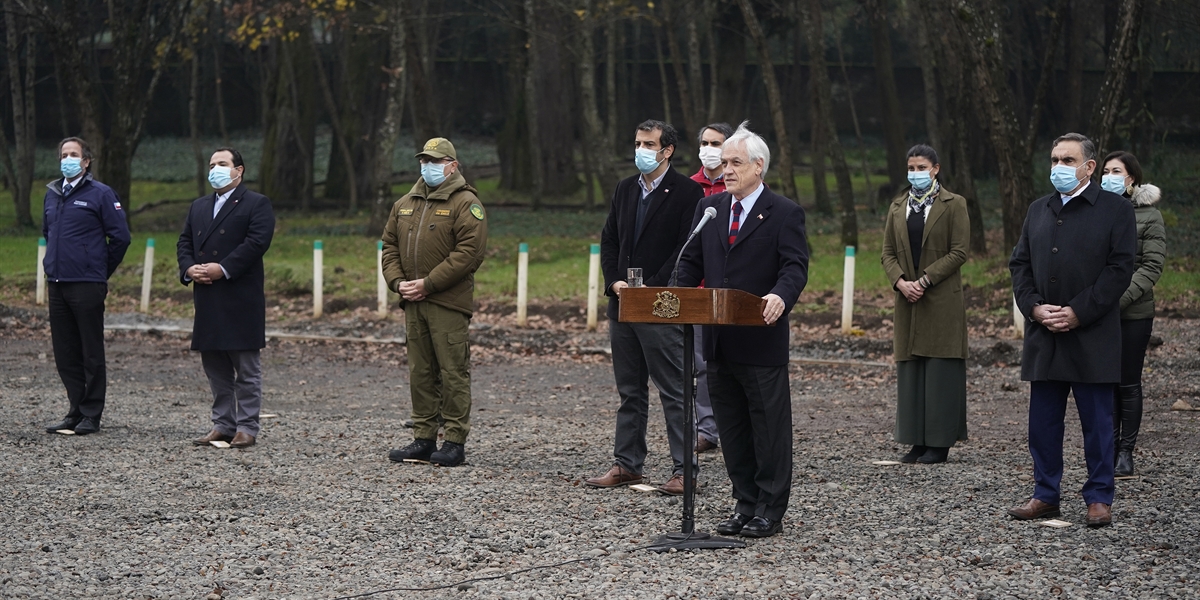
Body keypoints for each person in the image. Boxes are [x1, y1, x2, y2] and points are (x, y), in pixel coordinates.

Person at [677, 122, 810, 537]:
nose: (725, 168)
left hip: (760, 337)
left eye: (735, 162)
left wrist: (780, 296)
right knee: (732, 428)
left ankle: (770, 509)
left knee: (767, 428)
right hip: (718, 339)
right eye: (724, 161)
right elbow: (691, 262)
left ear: (758, 167)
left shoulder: (785, 212)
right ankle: (744, 502)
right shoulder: (709, 210)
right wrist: (673, 295)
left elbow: (795, 266)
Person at [1008, 133, 1137, 528]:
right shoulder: (1038, 209)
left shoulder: (1115, 210)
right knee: (1042, 423)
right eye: (1054, 159)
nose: (1058, 167)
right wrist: (1032, 306)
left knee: (1097, 422)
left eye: (1067, 160)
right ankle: (1045, 494)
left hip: (1091, 333)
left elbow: (1119, 270)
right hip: (1044, 332)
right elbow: (1020, 264)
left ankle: (1099, 497)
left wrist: (1078, 312)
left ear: (1089, 167)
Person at [586, 119, 704, 496]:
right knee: (630, 390)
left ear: (667, 150)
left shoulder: (688, 192)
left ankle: (685, 470)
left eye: (648, 144)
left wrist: (653, 287)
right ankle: (627, 464)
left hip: (660, 305)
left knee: (673, 389)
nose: (641, 149)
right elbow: (609, 240)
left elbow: (685, 248)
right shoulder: (624, 189)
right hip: (622, 302)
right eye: (638, 142)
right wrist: (614, 281)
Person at [382, 137, 488, 468]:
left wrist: (428, 284)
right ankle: (424, 437)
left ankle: (455, 440)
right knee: (421, 371)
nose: (428, 166)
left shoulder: (466, 203)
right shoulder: (404, 203)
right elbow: (389, 246)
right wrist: (399, 283)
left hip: (447, 302)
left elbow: (469, 253)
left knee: (452, 371)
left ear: (452, 166)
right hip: (412, 300)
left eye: (436, 161)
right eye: (424, 161)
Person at [178, 148, 276, 449]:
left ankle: (247, 427)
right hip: (207, 296)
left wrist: (223, 268)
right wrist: (188, 268)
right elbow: (184, 241)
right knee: (216, 368)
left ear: (239, 170)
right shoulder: (198, 206)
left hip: (240, 296)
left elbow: (257, 242)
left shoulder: (256, 203)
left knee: (246, 368)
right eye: (212, 164)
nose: (215, 169)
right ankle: (223, 424)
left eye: (222, 164)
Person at [880, 144, 970, 464]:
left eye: (921, 167)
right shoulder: (897, 206)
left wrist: (925, 280)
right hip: (907, 299)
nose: (915, 172)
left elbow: (959, 251)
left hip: (941, 298)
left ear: (935, 169)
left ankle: (939, 442)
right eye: (911, 167)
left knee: (940, 370)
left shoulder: (954, 204)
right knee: (912, 370)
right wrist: (901, 282)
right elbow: (887, 252)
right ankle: (915, 440)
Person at [41, 137, 131, 436]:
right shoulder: (52, 194)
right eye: (64, 154)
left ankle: (92, 413)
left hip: (87, 283)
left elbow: (120, 237)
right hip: (57, 282)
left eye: (74, 154)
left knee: (90, 350)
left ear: (86, 161)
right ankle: (75, 409)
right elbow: (48, 232)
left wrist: (99, 270)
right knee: (65, 351)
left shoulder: (100, 194)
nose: (68, 159)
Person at [1101, 151, 1165, 477]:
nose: (1109, 176)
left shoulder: (1149, 217)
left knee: (1127, 382)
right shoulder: (1096, 212)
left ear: (1132, 179)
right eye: (1105, 170)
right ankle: (1107, 450)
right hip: (1098, 313)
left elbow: (1151, 266)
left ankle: (1126, 452)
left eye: (1116, 171)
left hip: (1132, 313)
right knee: (1105, 381)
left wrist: (1117, 299)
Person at [689, 122, 735, 454]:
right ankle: (704, 428)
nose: (708, 148)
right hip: (695, 291)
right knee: (698, 366)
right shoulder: (689, 188)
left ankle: (731, 424)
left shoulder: (737, 187)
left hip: (730, 291)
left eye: (715, 142)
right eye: (704, 142)